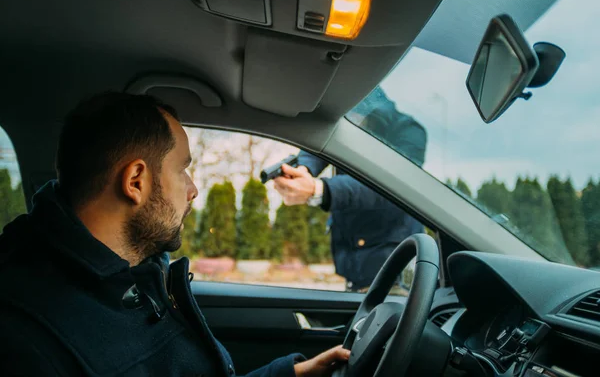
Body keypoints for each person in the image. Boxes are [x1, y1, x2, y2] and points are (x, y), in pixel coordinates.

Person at [0, 92, 350, 376]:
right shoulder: (29, 342)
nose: (193, 189)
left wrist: (293, 374)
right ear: (135, 181)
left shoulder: (135, 277)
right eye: (183, 170)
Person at [274, 87, 427, 292]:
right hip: (354, 264)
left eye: (355, 118)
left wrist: (319, 190)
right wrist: (304, 169)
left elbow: (388, 186)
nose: (349, 123)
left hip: (394, 269)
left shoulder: (408, 132)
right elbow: (320, 145)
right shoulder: (348, 124)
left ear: (372, 115)